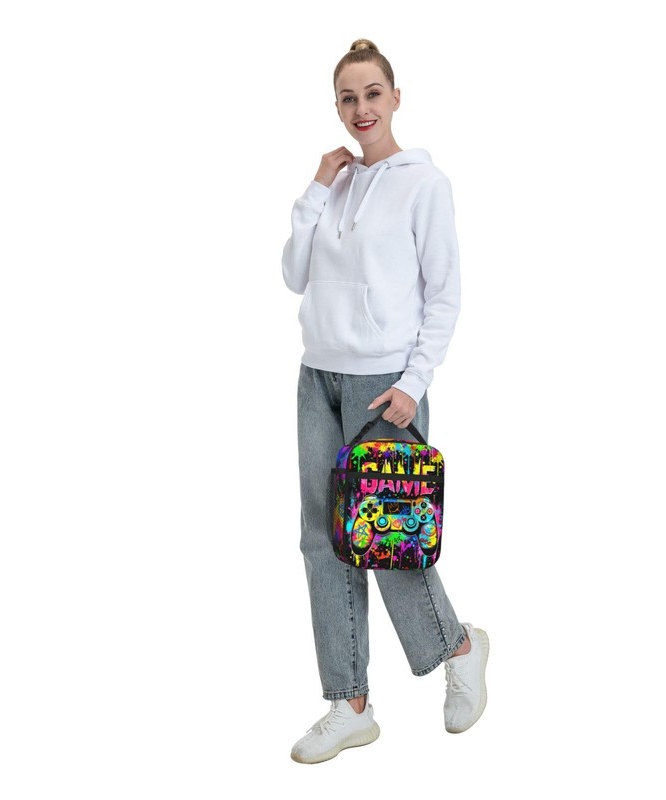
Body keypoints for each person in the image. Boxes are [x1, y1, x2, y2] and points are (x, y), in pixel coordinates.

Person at [281, 38, 489, 765]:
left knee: (388, 535)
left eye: (372, 94)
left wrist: (413, 382)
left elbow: (446, 295)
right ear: (337, 107)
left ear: (395, 98)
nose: (360, 108)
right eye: (348, 97)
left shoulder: (424, 184)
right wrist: (316, 187)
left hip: (384, 387)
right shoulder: (335, 186)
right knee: (323, 540)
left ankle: (458, 648)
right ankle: (350, 704)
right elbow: (294, 273)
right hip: (318, 376)